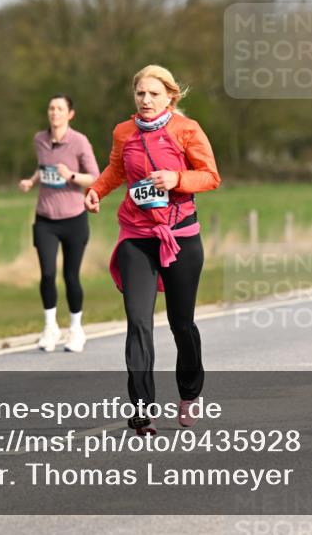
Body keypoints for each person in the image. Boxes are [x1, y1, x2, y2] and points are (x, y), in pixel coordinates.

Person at [85, 65, 220, 435]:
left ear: (170, 98)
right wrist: (97, 189)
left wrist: (177, 178)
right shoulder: (123, 132)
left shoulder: (186, 130)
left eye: (154, 94)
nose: (146, 100)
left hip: (180, 236)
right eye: (140, 94)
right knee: (138, 322)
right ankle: (142, 408)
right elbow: (116, 170)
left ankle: (190, 394)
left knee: (181, 324)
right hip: (136, 235)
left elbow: (210, 176)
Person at [18, 95, 100, 352]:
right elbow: (44, 167)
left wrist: (72, 175)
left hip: (74, 218)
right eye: (51, 108)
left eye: (60, 109)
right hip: (45, 219)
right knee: (47, 274)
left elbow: (95, 177)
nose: (54, 113)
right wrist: (31, 181)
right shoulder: (39, 139)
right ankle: (50, 327)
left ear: (70, 114)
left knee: (70, 276)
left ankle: (76, 329)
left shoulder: (79, 141)